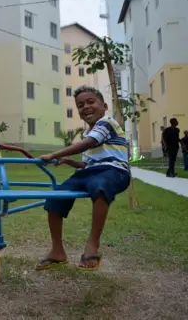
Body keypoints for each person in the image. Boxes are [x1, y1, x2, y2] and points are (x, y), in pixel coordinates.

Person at [36, 86, 130, 272]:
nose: (85, 107)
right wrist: (70, 161)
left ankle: (92, 246)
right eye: (80, 105)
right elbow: (87, 165)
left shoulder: (107, 123)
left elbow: (87, 144)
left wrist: (54, 154)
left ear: (104, 106)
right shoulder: (88, 133)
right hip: (91, 172)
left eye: (90, 102)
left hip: (115, 171)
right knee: (56, 197)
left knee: (100, 186)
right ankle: (57, 251)